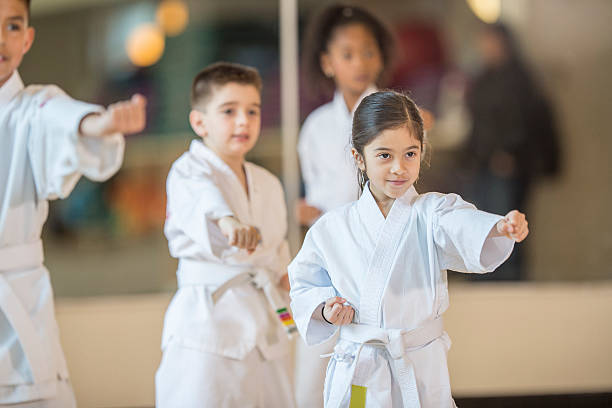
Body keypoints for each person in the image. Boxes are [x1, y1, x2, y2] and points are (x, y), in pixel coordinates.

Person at [289, 90, 529, 407]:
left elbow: (461, 225)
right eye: (385, 155)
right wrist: (325, 309)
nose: (399, 168)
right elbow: (304, 284)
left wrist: (498, 227)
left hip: (419, 367)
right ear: (358, 157)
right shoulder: (332, 228)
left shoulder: (432, 214)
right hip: (362, 369)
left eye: (410, 154)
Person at [0, 0, 146, 406]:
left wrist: (102, 123)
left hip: (15, 303)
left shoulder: (33, 107)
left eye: (12, 27)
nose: (1, 39)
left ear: (28, 38)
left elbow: (68, 119)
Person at [155, 62, 296, 407]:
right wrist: (229, 223)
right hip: (208, 320)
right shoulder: (188, 172)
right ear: (199, 121)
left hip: (266, 315)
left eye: (252, 111)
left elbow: (278, 253)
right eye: (229, 111)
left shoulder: (268, 182)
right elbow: (207, 202)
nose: (243, 121)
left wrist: (293, 279)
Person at [463, 22, 559, 280]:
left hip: (508, 165)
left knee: (509, 224)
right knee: (482, 222)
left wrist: (509, 154)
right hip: (482, 162)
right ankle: (486, 276)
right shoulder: (483, 78)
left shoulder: (520, 79)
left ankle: (509, 279)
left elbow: (524, 122)